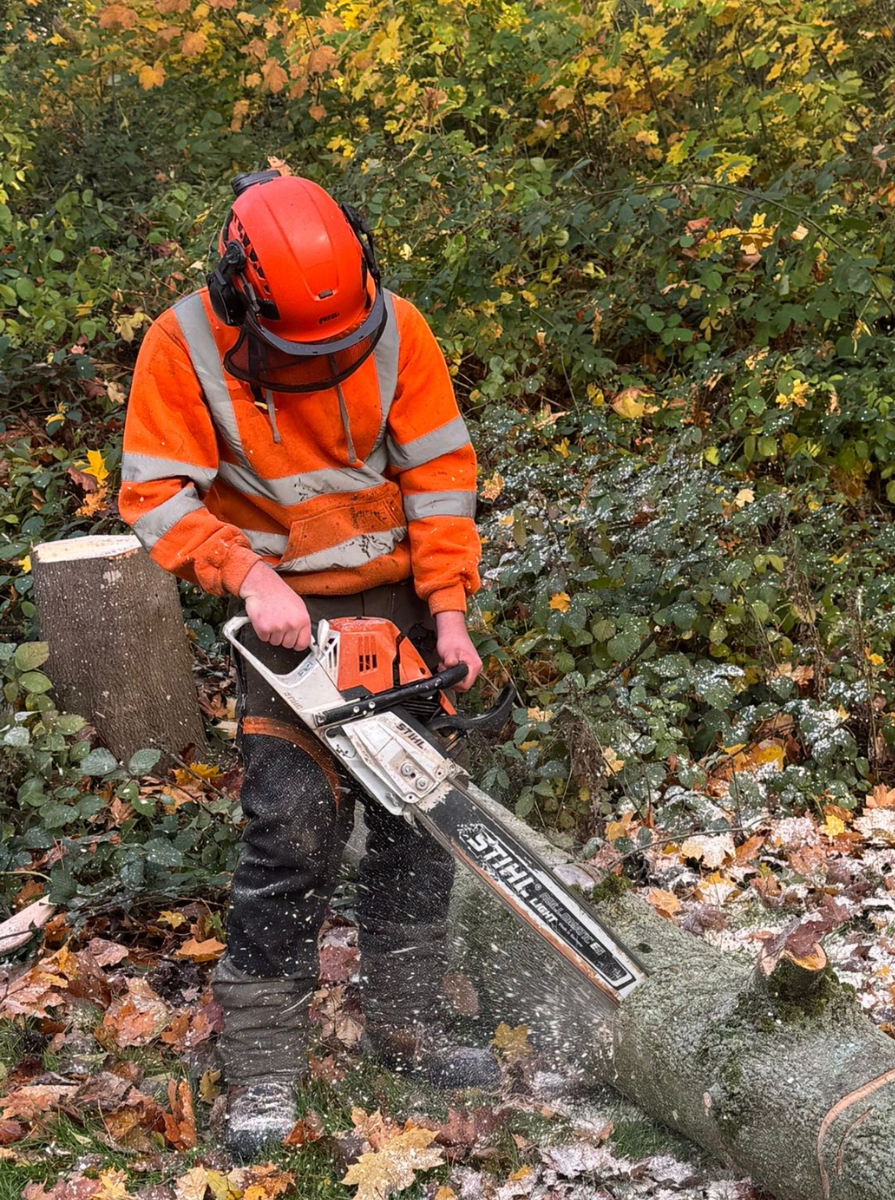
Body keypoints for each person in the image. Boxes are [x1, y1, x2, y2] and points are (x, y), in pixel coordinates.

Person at [118, 169, 499, 1161]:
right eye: (301, 349)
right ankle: (264, 1067)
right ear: (243, 296)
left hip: (397, 598)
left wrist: (450, 610)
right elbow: (156, 492)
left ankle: (407, 1024)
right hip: (283, 620)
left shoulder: (399, 328)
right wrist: (243, 572)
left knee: (420, 821)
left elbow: (441, 473)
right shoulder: (186, 345)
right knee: (290, 827)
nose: (325, 360)